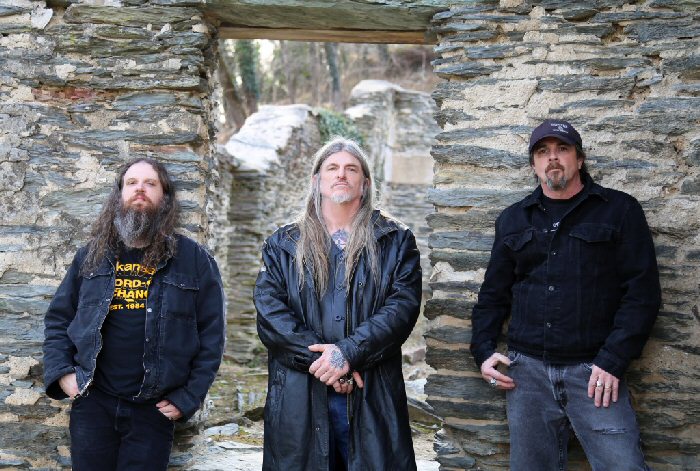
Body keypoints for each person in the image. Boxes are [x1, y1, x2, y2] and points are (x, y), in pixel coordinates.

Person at [470, 119, 661, 470]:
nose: (553, 158)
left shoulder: (619, 210)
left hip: (595, 373)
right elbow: (493, 296)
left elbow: (642, 294)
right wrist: (483, 351)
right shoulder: (513, 219)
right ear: (533, 165)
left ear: (580, 158)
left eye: (562, 149)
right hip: (526, 376)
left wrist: (614, 359)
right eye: (543, 152)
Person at [43, 158, 225, 471]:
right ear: (119, 195)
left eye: (150, 183)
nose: (140, 189)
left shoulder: (193, 259)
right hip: (93, 402)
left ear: (165, 198)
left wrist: (188, 397)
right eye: (132, 183)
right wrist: (63, 374)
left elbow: (212, 336)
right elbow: (59, 319)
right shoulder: (92, 256)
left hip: (153, 408)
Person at [254, 137, 422, 470]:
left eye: (351, 169)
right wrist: (328, 364)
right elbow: (270, 313)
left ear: (365, 183)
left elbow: (402, 308)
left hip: (371, 391)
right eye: (332, 168)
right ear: (317, 180)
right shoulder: (283, 243)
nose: (341, 175)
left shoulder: (395, 239)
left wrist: (348, 353)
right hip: (300, 395)